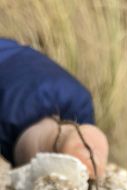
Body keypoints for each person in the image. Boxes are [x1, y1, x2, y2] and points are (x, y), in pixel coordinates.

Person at [0, 39, 108, 178]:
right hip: (54, 83)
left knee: (19, 124)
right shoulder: (82, 102)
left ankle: (52, 143)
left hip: (15, 90)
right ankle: (57, 139)